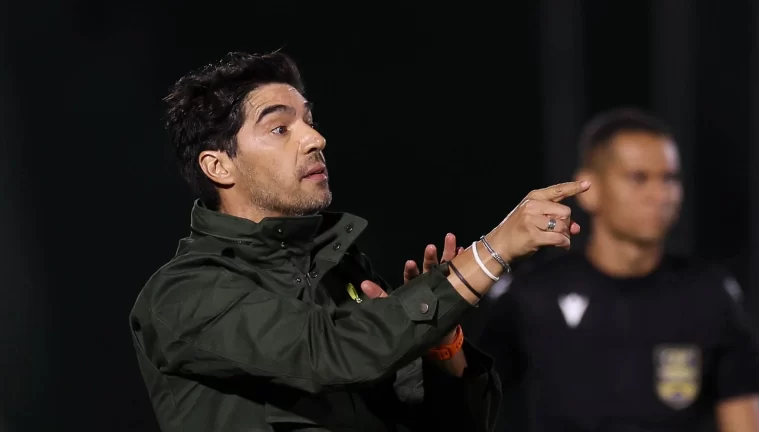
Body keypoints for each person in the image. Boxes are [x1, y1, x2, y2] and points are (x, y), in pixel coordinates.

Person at [128, 51, 592, 432]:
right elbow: (329, 353)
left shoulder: (346, 273)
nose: (315, 138)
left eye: (309, 120)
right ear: (219, 167)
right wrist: (489, 254)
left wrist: (440, 345)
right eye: (279, 128)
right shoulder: (184, 294)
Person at [479, 108, 759, 432]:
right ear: (591, 190)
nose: (660, 195)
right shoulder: (534, 293)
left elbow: (745, 415)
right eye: (639, 178)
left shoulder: (710, 293)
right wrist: (440, 328)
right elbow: (466, 402)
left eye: (670, 178)